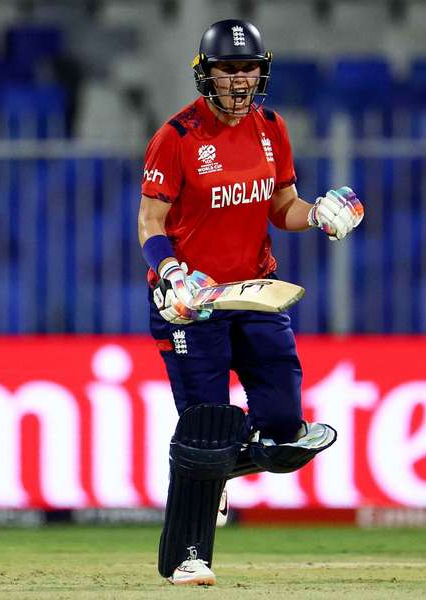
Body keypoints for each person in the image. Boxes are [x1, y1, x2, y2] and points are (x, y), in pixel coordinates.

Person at [137, 19, 364, 586]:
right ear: (205, 73)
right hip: (193, 300)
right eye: (228, 70)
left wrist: (317, 215)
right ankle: (188, 555)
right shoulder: (178, 136)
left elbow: (282, 206)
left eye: (249, 69)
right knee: (207, 424)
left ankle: (212, 471)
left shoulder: (272, 129)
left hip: (257, 294)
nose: (240, 81)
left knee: (285, 430)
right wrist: (171, 273)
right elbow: (150, 221)